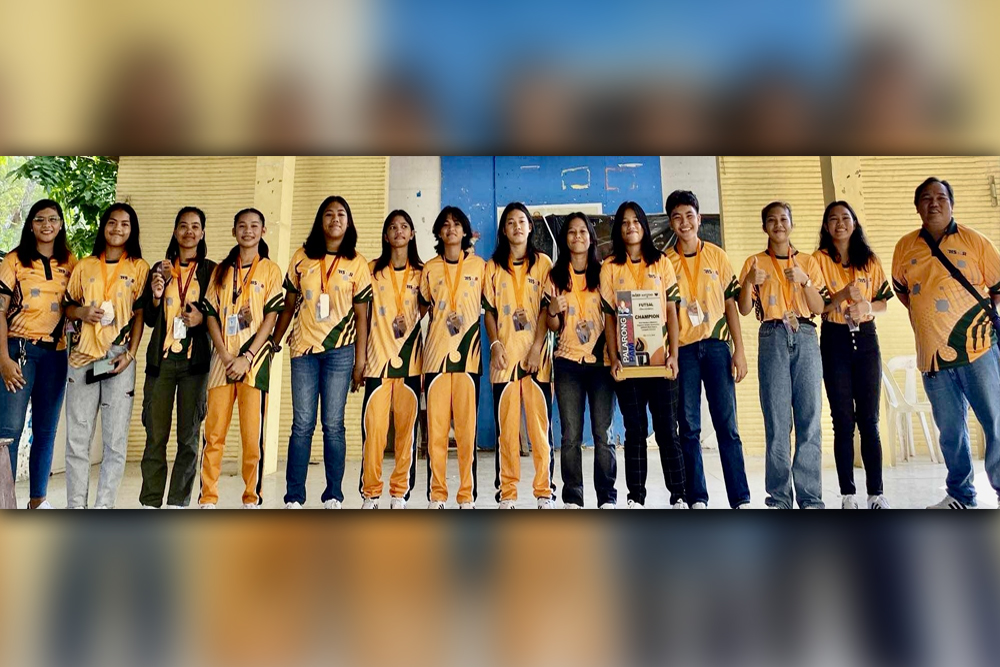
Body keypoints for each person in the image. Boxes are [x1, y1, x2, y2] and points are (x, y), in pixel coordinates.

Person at [892, 177, 1000, 510]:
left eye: (941, 197)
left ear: (951, 203)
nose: (934, 203)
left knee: (994, 422)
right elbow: (903, 292)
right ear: (917, 206)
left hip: (979, 351)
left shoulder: (976, 241)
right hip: (932, 359)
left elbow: (997, 288)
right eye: (926, 198)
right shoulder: (905, 247)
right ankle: (961, 495)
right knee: (951, 431)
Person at [273, 196, 373, 510]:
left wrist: (360, 361)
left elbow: (361, 316)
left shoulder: (357, 262)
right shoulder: (301, 257)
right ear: (320, 221)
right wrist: (273, 342)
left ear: (349, 221)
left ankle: (333, 494)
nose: (335, 219)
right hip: (303, 350)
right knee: (302, 424)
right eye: (328, 214)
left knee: (333, 425)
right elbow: (288, 306)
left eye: (341, 214)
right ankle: (294, 497)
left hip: (340, 353)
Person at [664, 190, 751, 510]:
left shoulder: (717, 255)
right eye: (677, 217)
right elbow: (666, 312)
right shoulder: (666, 262)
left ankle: (740, 497)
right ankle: (696, 497)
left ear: (699, 219)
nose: (684, 222)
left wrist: (738, 350)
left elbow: (731, 305)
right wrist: (670, 353)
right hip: (684, 349)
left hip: (716, 347)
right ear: (671, 223)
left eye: (689, 215)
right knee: (688, 427)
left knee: (727, 425)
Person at [738, 201, 828, 510]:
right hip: (772, 334)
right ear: (764, 227)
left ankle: (811, 497)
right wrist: (750, 281)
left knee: (810, 418)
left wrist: (804, 281)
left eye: (784, 219)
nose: (778, 225)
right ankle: (778, 498)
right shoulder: (754, 262)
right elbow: (745, 309)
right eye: (772, 220)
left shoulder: (808, 261)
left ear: (791, 223)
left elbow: (819, 308)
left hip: (805, 333)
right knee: (777, 421)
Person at [600, 201, 687, 509]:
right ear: (618, 229)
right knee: (634, 431)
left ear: (644, 226)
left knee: (667, 430)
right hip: (629, 366)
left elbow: (672, 313)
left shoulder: (661, 262)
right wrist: (615, 357)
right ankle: (636, 498)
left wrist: (674, 355)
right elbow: (610, 317)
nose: (630, 226)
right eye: (624, 222)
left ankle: (679, 495)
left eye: (636, 221)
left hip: (661, 364)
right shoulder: (610, 266)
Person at [64, 203, 149, 509]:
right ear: (104, 227)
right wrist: (82, 311)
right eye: (112, 223)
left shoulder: (139, 267)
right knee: (78, 438)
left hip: (118, 358)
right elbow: (67, 306)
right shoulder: (85, 266)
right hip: (83, 357)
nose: (117, 229)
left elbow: (140, 314)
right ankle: (76, 507)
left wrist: (131, 353)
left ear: (132, 230)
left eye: (125, 224)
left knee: (114, 442)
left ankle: (103, 509)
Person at [199, 208, 283, 509]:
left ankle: (251, 499)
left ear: (263, 231)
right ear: (234, 231)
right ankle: (208, 499)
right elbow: (209, 315)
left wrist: (246, 356)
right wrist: (224, 354)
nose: (248, 231)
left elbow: (271, 317)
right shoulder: (221, 270)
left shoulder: (271, 271)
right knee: (214, 435)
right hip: (221, 363)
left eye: (254, 226)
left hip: (254, 365)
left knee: (252, 438)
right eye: (242, 226)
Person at [814, 201, 893, 510]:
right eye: (832, 219)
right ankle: (848, 494)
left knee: (870, 420)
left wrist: (868, 308)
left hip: (867, 339)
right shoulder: (818, 260)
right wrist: (842, 296)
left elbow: (884, 301)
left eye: (845, 218)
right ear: (825, 227)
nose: (839, 224)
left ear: (855, 223)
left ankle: (876, 493)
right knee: (842, 420)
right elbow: (818, 306)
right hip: (834, 339)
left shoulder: (869, 260)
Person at [0, 199, 76, 509]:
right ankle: (6, 501)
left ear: (60, 225)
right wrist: (3, 359)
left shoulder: (71, 263)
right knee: (9, 430)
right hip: (18, 353)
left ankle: (38, 501)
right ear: (31, 224)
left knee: (46, 430)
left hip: (56, 355)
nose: (47, 225)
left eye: (53, 219)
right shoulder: (15, 260)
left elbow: (78, 303)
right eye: (40, 219)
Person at [139, 207, 216, 509]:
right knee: (155, 436)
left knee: (189, 437)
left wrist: (201, 318)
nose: (189, 232)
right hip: (161, 364)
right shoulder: (160, 270)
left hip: (194, 365)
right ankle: (150, 502)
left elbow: (218, 313)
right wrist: (157, 295)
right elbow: (148, 317)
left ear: (203, 233)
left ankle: (177, 503)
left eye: (195, 226)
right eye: (183, 226)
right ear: (174, 231)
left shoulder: (212, 271)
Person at [484, 202, 555, 509]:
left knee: (540, 432)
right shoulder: (492, 266)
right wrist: (495, 344)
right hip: (504, 360)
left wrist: (538, 347)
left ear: (530, 227)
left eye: (521, 221)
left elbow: (545, 309)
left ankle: (544, 493)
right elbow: (488, 311)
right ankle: (508, 494)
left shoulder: (543, 264)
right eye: (510, 222)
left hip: (536, 359)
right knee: (507, 433)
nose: (516, 227)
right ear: (504, 230)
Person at [546, 212, 618, 509]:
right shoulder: (555, 275)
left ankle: (607, 498)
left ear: (591, 237)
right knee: (571, 436)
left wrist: (615, 358)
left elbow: (613, 319)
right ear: (565, 239)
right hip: (567, 363)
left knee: (604, 435)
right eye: (571, 232)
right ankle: (573, 497)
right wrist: (551, 309)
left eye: (583, 232)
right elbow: (552, 325)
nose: (577, 236)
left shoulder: (604, 274)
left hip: (600, 363)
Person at [419, 206, 485, 509]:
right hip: (435, 359)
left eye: (457, 224)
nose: (451, 229)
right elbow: (420, 308)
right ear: (438, 232)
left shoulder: (480, 267)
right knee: (436, 431)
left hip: (469, 360)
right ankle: (438, 494)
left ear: (465, 231)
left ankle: (466, 495)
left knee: (466, 432)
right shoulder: (429, 268)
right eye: (445, 225)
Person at [358, 210, 424, 509]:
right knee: (374, 433)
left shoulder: (422, 273)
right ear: (386, 235)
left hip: (411, 364)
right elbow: (360, 314)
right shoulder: (371, 270)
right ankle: (370, 493)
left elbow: (430, 311)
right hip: (376, 364)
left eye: (404, 226)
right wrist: (359, 360)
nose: (399, 231)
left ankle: (399, 493)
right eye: (393, 227)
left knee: (406, 433)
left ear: (411, 234)